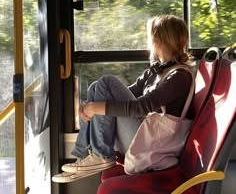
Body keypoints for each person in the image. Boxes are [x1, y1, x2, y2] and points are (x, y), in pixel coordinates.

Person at [52, 14, 194, 183]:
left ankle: (101, 155)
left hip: (150, 146)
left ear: (158, 41)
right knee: (96, 87)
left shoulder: (180, 76)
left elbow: (141, 106)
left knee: (106, 82)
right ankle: (84, 155)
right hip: (141, 138)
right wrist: (90, 105)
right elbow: (123, 94)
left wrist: (93, 108)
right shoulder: (155, 70)